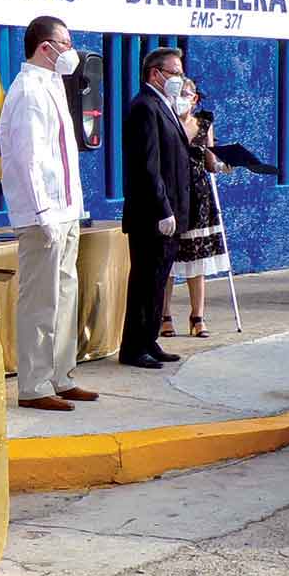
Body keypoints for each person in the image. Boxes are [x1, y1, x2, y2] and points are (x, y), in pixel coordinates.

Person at [0, 15, 99, 412]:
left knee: (65, 294)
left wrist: (72, 207)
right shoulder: (27, 92)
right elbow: (28, 159)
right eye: (66, 43)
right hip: (43, 215)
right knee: (40, 300)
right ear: (46, 47)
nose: (71, 51)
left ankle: (61, 375)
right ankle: (35, 385)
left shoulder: (53, 86)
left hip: (66, 210)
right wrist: (43, 211)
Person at [119, 46, 192, 369]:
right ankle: (133, 347)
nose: (179, 78)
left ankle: (148, 340)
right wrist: (164, 210)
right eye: (174, 73)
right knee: (145, 283)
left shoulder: (165, 106)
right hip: (152, 215)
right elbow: (148, 166)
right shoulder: (144, 107)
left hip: (171, 212)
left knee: (157, 281)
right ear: (155, 74)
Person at [164, 77, 232, 339]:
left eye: (187, 93)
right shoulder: (166, 120)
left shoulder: (204, 124)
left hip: (199, 197)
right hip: (172, 194)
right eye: (178, 92)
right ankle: (165, 316)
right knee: (168, 261)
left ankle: (197, 317)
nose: (182, 96)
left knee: (197, 262)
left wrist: (227, 164)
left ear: (195, 99)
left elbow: (211, 160)